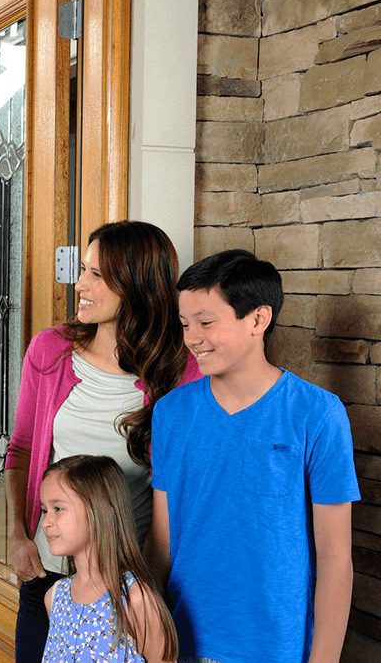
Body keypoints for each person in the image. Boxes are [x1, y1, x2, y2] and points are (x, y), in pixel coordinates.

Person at [151, 249, 360, 663]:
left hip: (277, 648)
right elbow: (162, 542)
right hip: (182, 643)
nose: (192, 337)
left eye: (206, 323)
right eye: (185, 324)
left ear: (258, 319)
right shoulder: (170, 413)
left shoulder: (318, 414)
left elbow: (336, 558)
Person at [5, 221, 201, 661]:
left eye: (96, 274)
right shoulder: (49, 350)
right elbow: (19, 450)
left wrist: (151, 581)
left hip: (127, 585)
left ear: (136, 285)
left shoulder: (182, 371)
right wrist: (19, 535)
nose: (80, 284)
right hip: (48, 575)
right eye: (84, 270)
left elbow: (185, 485)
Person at [39, 455, 177, 662]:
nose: (46, 522)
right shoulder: (54, 598)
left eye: (58, 509)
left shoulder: (136, 599)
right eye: (44, 510)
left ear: (99, 510)